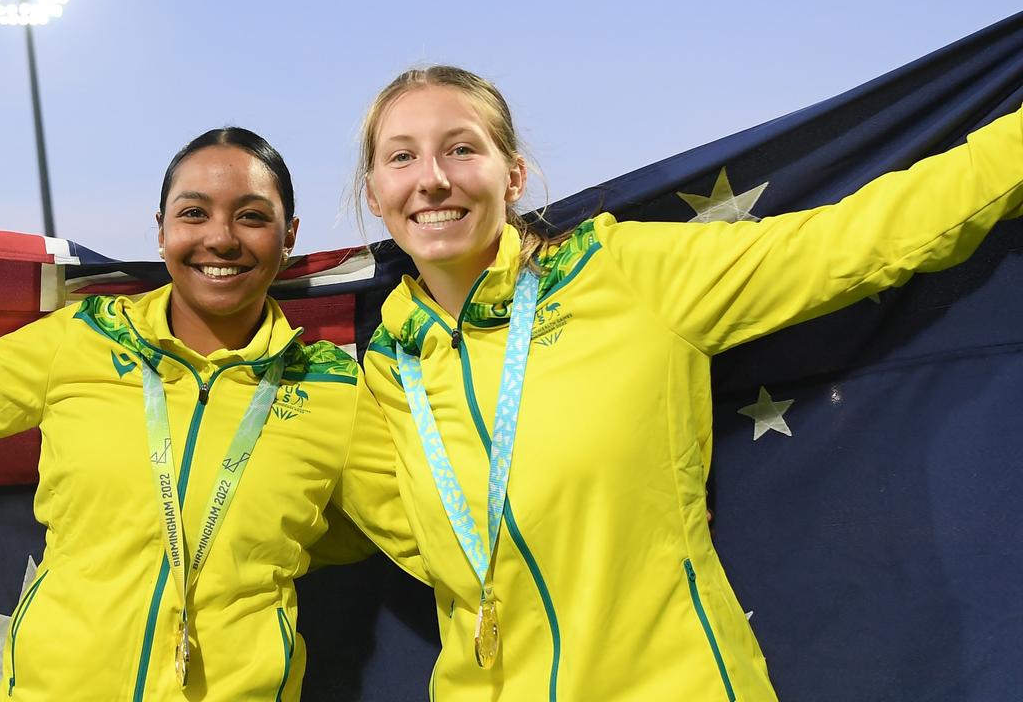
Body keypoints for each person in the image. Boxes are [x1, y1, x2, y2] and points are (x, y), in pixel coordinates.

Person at [353, 65, 1023, 700]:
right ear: (375, 193)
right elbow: (402, 534)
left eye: (462, 149)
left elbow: (851, 243)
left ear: (514, 176)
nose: (433, 179)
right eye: (402, 157)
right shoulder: (387, 366)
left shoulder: (624, 273)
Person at [0, 127, 422, 701]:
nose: (221, 237)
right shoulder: (80, 341)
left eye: (251, 215)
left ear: (288, 234)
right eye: (193, 213)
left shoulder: (333, 387)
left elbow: (399, 532)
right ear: (160, 231)